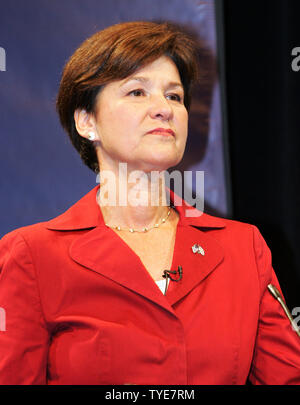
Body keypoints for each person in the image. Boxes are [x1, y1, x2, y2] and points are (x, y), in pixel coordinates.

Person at [0, 20, 299, 385]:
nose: (163, 108)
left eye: (174, 96)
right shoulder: (30, 256)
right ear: (86, 121)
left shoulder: (243, 247)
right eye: (137, 92)